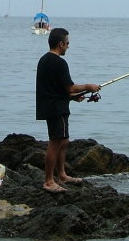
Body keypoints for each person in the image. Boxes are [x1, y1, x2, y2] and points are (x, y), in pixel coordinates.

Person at [36, 27, 100, 193]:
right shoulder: (59, 62)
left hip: (52, 105)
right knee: (55, 142)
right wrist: (88, 86)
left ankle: (62, 175)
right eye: (67, 43)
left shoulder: (44, 60)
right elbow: (70, 88)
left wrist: (72, 97)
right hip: (56, 108)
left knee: (63, 141)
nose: (68, 46)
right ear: (60, 44)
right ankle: (49, 181)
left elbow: (56, 89)